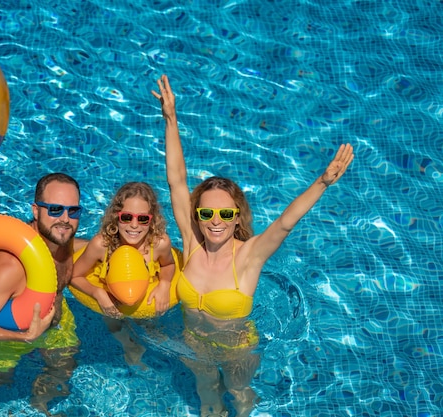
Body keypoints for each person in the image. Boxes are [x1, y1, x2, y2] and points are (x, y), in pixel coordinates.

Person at [152, 75, 354, 417]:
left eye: (226, 213)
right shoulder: (192, 243)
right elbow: (177, 181)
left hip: (237, 353)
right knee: (207, 400)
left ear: (236, 217)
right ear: (197, 216)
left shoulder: (249, 255)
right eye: (207, 212)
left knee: (240, 396)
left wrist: (322, 182)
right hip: (194, 346)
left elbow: (285, 223)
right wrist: (171, 119)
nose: (216, 221)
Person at [0, 173, 88, 416]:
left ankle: (39, 407)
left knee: (64, 371)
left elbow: (86, 246)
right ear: (36, 211)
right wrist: (24, 338)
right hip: (7, 338)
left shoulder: (63, 239)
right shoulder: (10, 267)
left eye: (73, 211)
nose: (65, 219)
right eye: (55, 209)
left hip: (52, 322)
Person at [71, 181, 176, 367]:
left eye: (142, 219)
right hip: (112, 294)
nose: (134, 226)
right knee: (113, 320)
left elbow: (168, 265)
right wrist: (98, 293)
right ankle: (128, 345)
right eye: (126, 217)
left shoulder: (159, 244)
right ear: (116, 217)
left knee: (150, 327)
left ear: (152, 220)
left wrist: (165, 284)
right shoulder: (102, 246)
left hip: (145, 292)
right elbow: (74, 275)